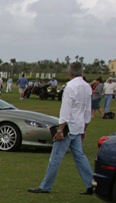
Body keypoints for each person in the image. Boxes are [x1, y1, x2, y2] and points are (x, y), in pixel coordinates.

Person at [28, 61, 93, 195]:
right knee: (80, 156)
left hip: (68, 127)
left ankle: (45, 186)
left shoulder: (70, 87)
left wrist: (60, 130)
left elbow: (65, 110)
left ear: (70, 72)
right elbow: (87, 110)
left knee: (55, 157)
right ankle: (91, 184)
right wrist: (85, 128)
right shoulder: (87, 87)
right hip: (79, 126)